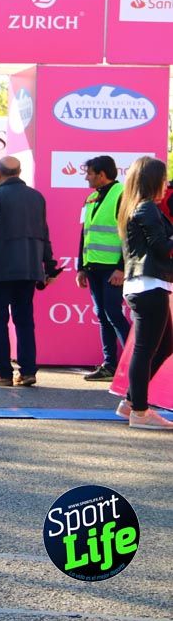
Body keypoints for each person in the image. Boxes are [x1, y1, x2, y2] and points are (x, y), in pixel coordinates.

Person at [0, 156, 57, 387]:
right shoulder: (36, 197)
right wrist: (49, 265)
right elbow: (44, 233)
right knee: (24, 321)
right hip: (29, 268)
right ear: (19, 172)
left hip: (0, 268)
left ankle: (3, 373)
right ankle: (28, 371)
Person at [114, 156, 173, 429]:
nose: (166, 184)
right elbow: (161, 247)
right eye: (163, 178)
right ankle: (139, 411)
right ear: (153, 180)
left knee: (163, 345)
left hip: (146, 285)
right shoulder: (146, 208)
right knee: (145, 349)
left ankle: (131, 402)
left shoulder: (137, 206)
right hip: (148, 285)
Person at [76, 155, 130, 382]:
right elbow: (85, 233)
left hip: (112, 269)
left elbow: (129, 234)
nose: (86, 178)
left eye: (89, 173)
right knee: (103, 315)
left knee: (113, 313)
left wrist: (121, 267)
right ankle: (109, 365)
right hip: (93, 267)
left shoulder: (122, 194)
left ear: (101, 174)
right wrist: (81, 267)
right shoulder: (91, 198)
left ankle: (135, 366)